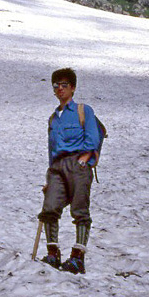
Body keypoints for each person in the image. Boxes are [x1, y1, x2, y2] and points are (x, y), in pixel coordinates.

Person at [38, 67, 101, 274]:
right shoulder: (53, 118)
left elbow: (93, 136)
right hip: (57, 167)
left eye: (64, 85)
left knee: (80, 210)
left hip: (78, 164)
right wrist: (49, 174)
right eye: (56, 86)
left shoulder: (84, 110)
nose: (59, 89)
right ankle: (53, 253)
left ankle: (77, 257)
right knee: (50, 207)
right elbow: (51, 147)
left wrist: (84, 159)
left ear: (72, 88)